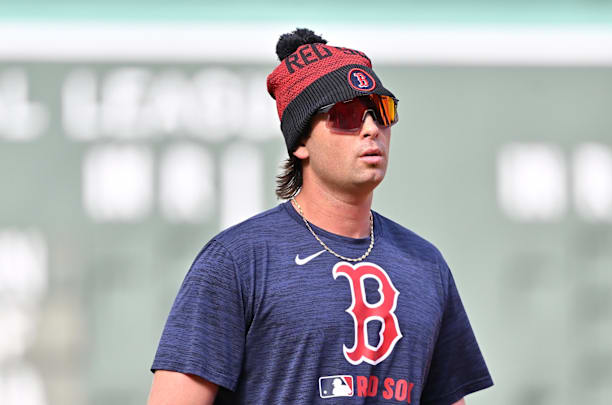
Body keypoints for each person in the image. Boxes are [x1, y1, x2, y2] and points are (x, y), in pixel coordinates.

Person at [147, 28, 493, 405]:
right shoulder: (236, 261)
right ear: (300, 142)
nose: (371, 128)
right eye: (346, 115)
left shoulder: (426, 265)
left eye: (382, 111)